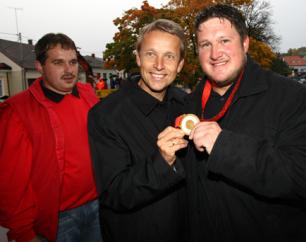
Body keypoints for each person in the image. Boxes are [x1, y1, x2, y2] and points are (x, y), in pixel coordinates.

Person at [178, 4, 306, 241]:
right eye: (205, 44)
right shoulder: (189, 106)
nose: (214, 53)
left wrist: (224, 147)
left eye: (224, 41)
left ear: (245, 43)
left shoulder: (292, 97)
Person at [87, 19, 188, 242]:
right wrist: (161, 161)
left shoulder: (188, 105)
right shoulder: (105, 115)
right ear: (138, 57)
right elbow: (114, 194)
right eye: (151, 54)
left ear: (180, 64)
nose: (159, 65)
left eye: (169, 56)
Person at [0, 33, 101, 242]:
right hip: (58, 220)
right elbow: (11, 182)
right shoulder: (17, 111)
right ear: (39, 66)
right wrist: (24, 233)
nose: (69, 70)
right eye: (58, 62)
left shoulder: (88, 95)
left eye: (73, 62)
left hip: (98, 207)